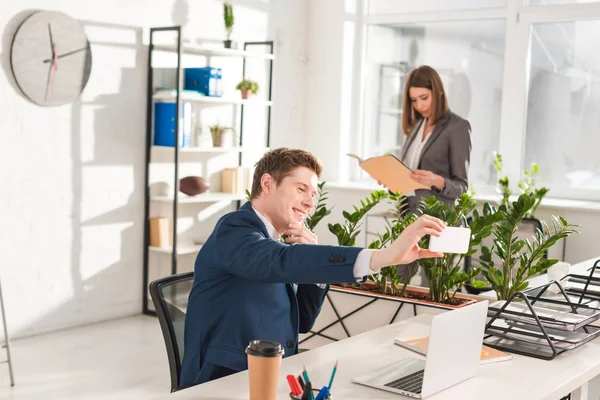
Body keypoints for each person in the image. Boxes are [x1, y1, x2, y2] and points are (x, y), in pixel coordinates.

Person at [179, 148, 446, 387]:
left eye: (313, 194)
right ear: (267, 183)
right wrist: (385, 256)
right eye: (300, 189)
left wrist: (312, 267)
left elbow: (303, 322)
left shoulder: (276, 244)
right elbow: (281, 262)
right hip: (224, 380)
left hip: (272, 372)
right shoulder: (235, 229)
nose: (309, 202)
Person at [396, 65, 472, 214]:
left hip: (437, 220)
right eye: (414, 100)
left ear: (439, 92)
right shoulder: (416, 128)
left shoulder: (457, 127)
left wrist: (437, 181)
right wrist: (392, 179)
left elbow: (461, 187)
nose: (419, 105)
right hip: (409, 217)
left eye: (424, 98)